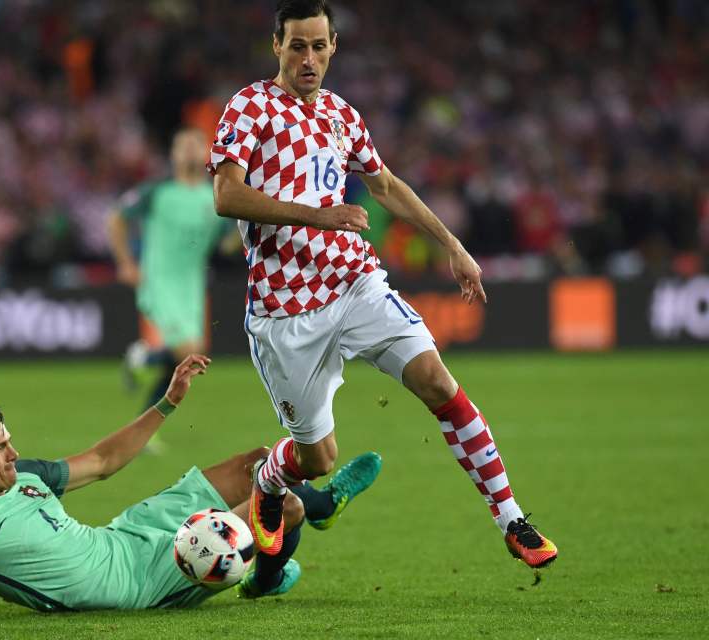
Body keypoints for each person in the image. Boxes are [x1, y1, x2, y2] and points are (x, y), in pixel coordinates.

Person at [207, 0, 557, 569]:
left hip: (354, 283)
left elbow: (386, 185)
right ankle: (269, 486)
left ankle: (512, 518)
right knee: (317, 459)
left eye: (319, 46)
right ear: (277, 45)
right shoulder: (249, 107)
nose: (309, 58)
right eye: (298, 45)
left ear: (334, 47)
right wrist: (319, 215)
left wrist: (453, 245)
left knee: (438, 384)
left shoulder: (342, 115)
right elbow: (227, 197)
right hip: (285, 310)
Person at [0, 354, 382, 622]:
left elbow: (103, 462)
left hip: (128, 535)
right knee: (283, 504)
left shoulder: (27, 478)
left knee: (257, 462)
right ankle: (268, 576)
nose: (13, 454)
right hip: (140, 584)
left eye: (9, 442)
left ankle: (326, 507)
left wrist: (167, 403)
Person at [108, 127, 236, 418]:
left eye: (196, 144)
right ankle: (142, 359)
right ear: (173, 155)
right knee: (187, 351)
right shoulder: (156, 191)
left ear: (207, 152)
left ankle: (144, 410)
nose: (190, 150)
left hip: (192, 283)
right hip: (160, 279)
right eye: (184, 145)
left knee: (191, 359)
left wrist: (244, 230)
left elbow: (227, 247)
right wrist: (126, 263)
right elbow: (116, 218)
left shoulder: (215, 196)